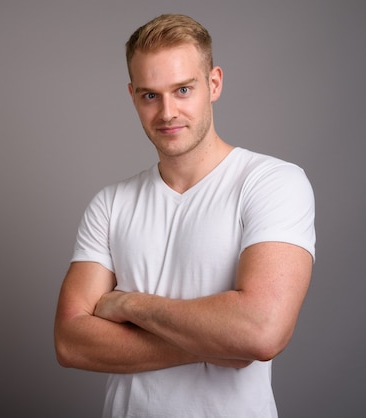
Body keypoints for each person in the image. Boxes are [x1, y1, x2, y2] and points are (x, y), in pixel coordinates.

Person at [53, 13, 315, 417]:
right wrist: (218, 345)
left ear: (213, 84)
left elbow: (261, 332)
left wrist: (130, 306)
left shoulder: (271, 182)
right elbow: (70, 342)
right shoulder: (110, 203)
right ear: (133, 96)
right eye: (150, 95)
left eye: (183, 90)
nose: (167, 112)